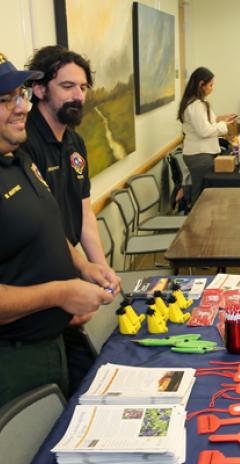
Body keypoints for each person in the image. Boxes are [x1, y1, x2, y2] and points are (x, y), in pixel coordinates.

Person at [0, 52, 116, 408]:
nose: (21, 108)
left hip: (51, 344)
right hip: (13, 359)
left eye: (19, 95)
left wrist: (84, 267)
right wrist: (60, 292)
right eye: (5, 101)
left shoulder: (15, 157)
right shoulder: (27, 146)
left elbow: (52, 228)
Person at [177, 67, 236, 203]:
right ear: (201, 84)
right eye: (210, 85)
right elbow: (204, 131)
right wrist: (223, 126)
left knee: (200, 190)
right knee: (201, 194)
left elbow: (204, 124)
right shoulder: (196, 105)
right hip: (200, 155)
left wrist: (220, 120)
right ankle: (196, 223)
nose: (212, 88)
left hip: (199, 153)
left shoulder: (194, 103)